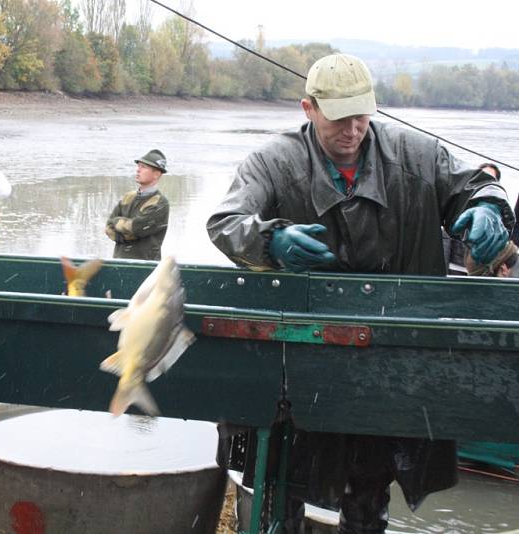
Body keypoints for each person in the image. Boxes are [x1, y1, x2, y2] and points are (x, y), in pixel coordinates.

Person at [206, 53, 514, 534]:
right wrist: (271, 241)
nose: (352, 130)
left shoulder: (417, 154)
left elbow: (475, 185)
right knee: (281, 481)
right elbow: (226, 223)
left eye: (362, 116)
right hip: (299, 362)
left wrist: (489, 207)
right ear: (308, 108)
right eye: (339, 118)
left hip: (389, 364)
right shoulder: (273, 161)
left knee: (371, 487)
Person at [105, 149, 170, 260]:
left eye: (143, 167)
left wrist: (117, 223)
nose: (138, 170)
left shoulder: (160, 203)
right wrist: (128, 229)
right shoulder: (128, 197)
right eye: (138, 166)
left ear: (156, 174)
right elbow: (108, 228)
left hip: (145, 267)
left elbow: (136, 228)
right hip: (119, 263)